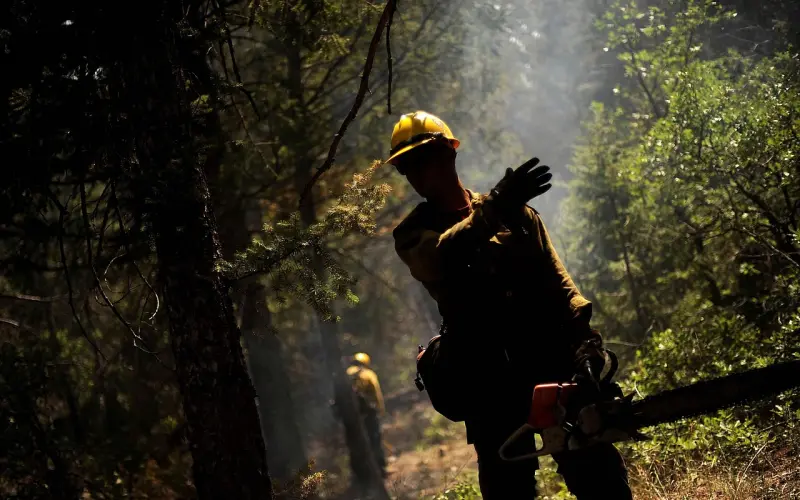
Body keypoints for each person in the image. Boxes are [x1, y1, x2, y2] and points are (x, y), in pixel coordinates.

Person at [388, 111, 632, 499]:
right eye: (407, 167)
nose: (416, 173)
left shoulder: (516, 214)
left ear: (450, 153)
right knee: (508, 492)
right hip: (486, 382)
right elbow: (439, 258)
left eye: (423, 158)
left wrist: (586, 344)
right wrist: (495, 209)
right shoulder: (413, 234)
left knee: (600, 480)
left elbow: (560, 284)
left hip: (552, 363)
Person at [346, 352, 388, 477]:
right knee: (374, 440)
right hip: (369, 414)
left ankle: (360, 474)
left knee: (355, 444)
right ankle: (380, 468)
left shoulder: (346, 374)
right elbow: (376, 394)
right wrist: (380, 410)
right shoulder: (368, 374)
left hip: (351, 417)